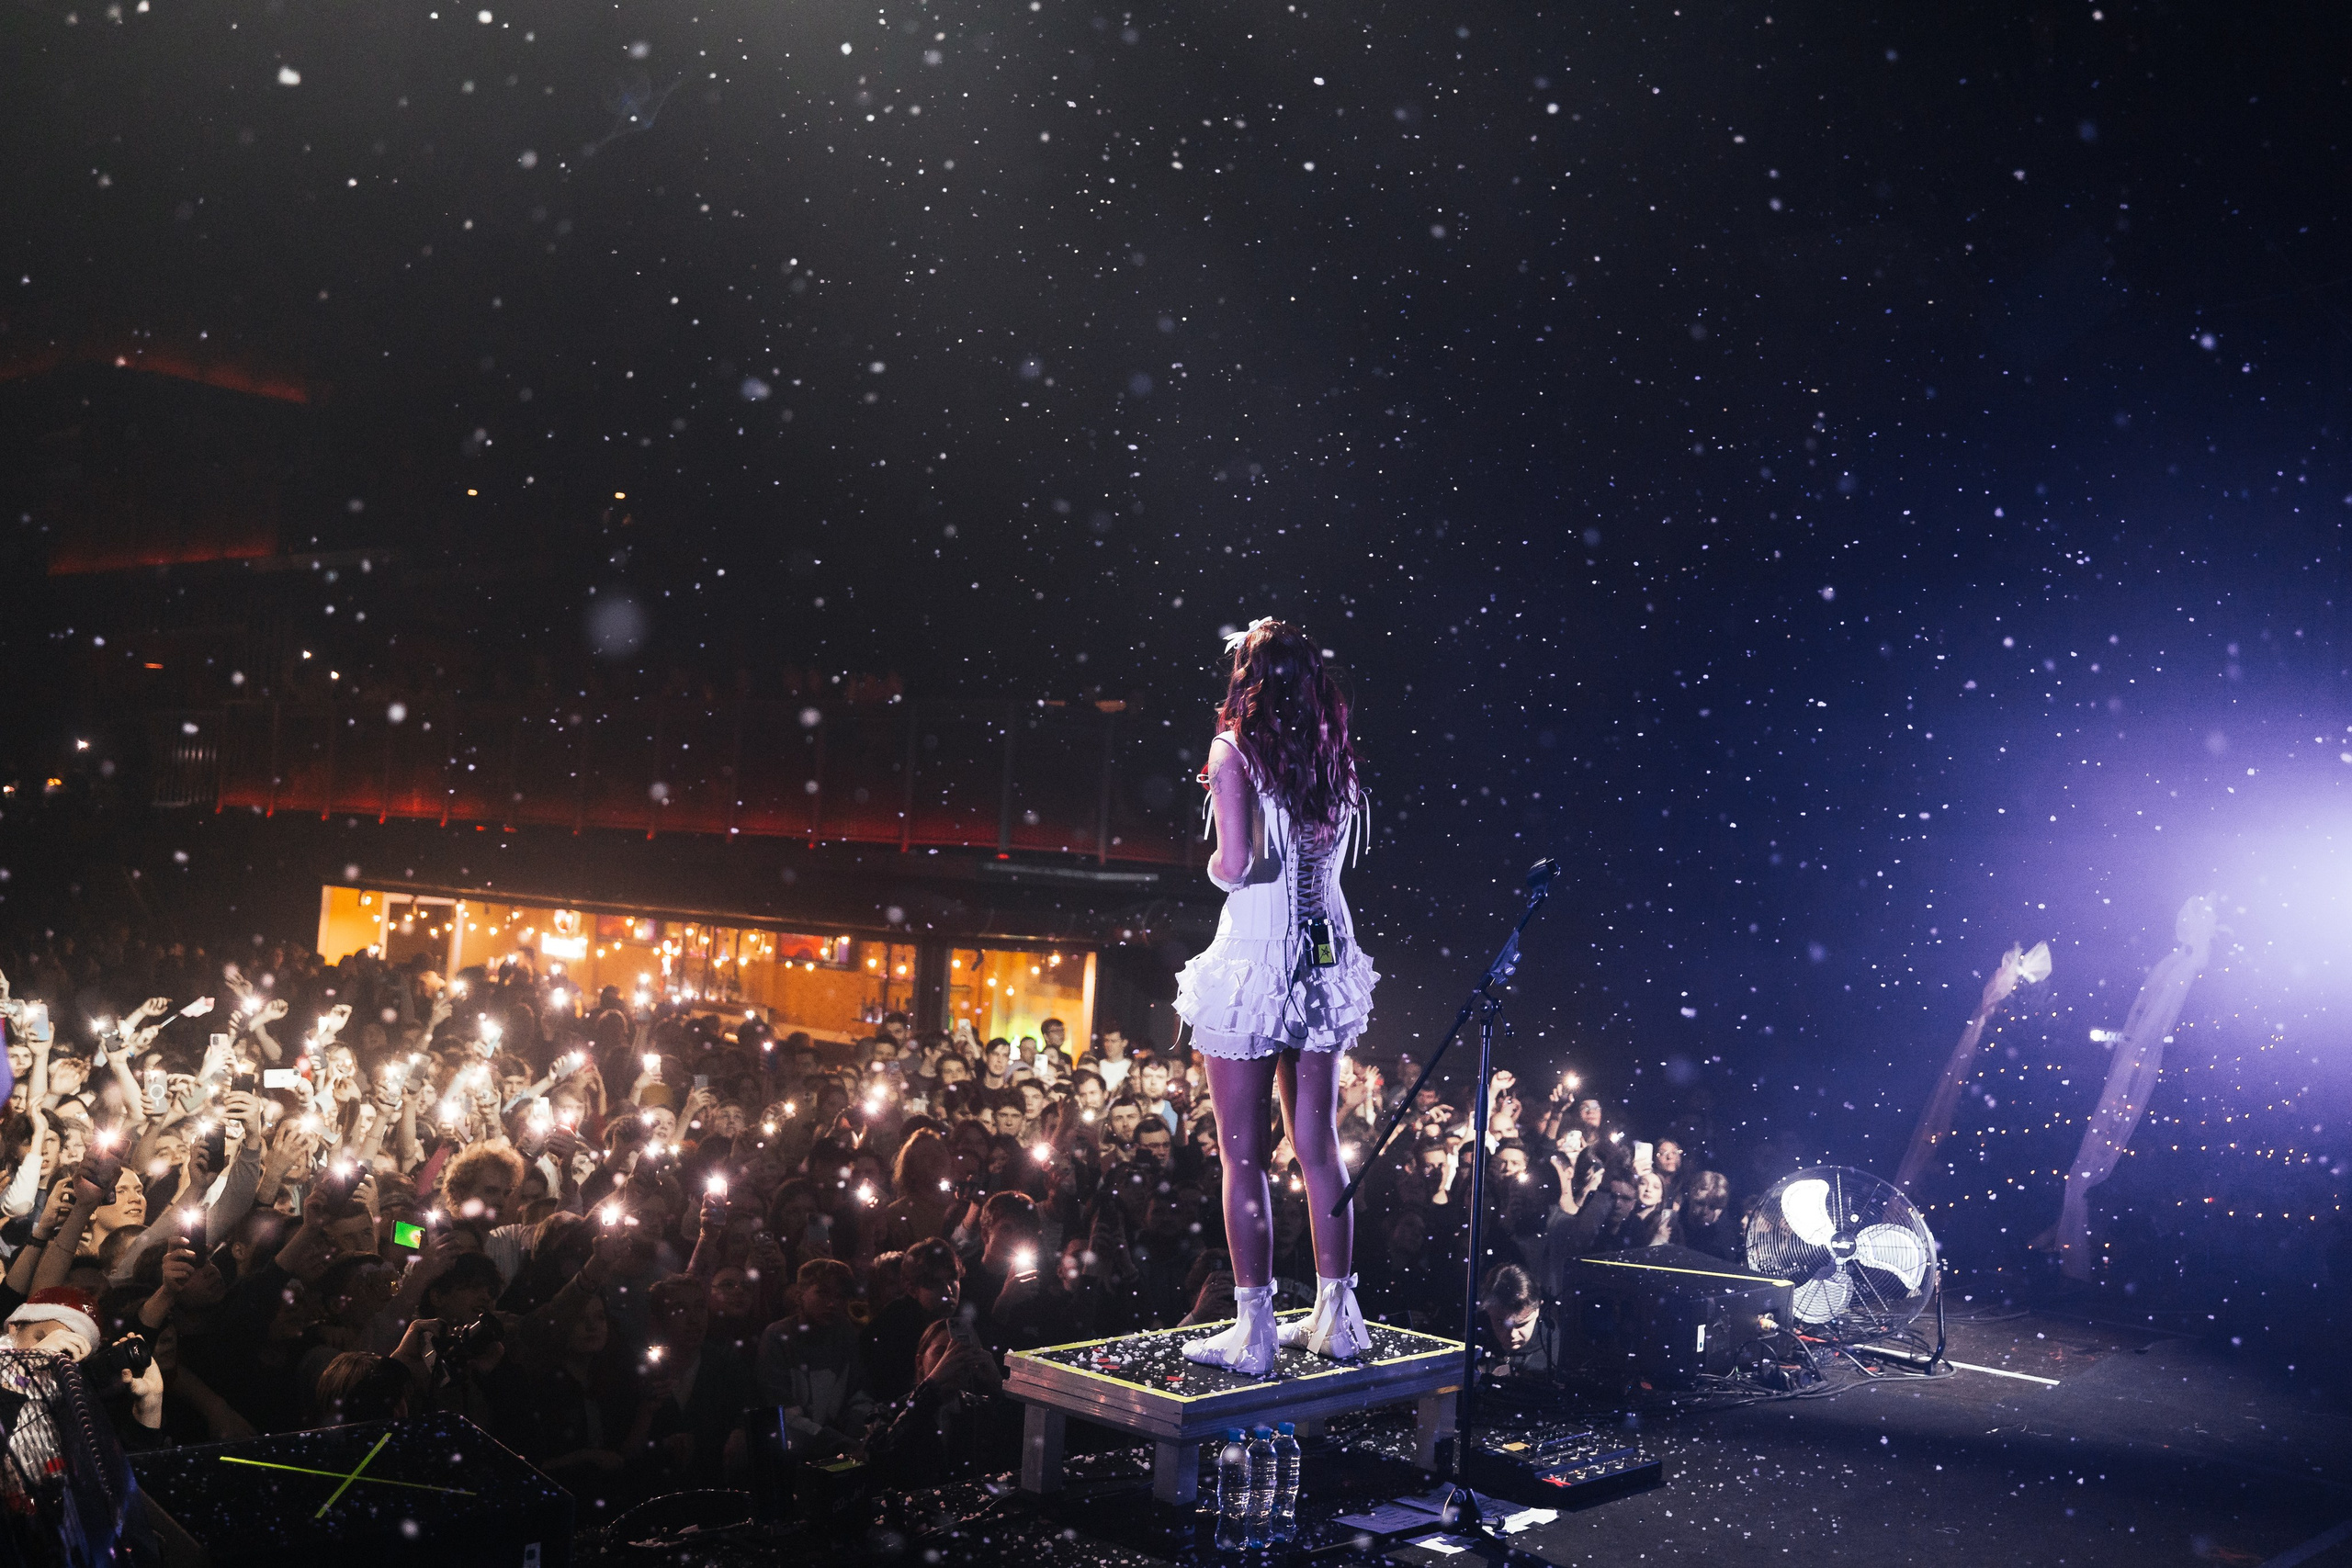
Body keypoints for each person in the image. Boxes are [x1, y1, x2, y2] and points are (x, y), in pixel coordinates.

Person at [1175, 619, 1378, 1375]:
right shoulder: (1333, 756)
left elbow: (1235, 864)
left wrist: (1214, 859)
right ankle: (1337, 1315)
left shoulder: (1234, 750)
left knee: (1244, 1159)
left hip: (1257, 960)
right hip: (1325, 958)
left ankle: (1254, 1329)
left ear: (1247, 677)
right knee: (1320, 1148)